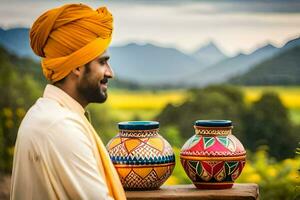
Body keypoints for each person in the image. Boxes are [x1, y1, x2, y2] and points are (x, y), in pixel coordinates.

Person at [10, 3, 126, 200]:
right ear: (77, 66)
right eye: (102, 62)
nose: (110, 72)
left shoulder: (50, 115)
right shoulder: (59, 126)